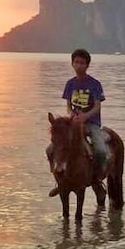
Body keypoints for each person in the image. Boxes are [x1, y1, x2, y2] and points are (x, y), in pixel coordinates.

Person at [48, 48, 108, 197]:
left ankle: (97, 180)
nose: (79, 65)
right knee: (50, 150)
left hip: (91, 123)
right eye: (76, 62)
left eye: (82, 63)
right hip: (73, 123)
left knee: (100, 150)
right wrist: (71, 116)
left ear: (87, 65)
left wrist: (85, 116)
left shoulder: (95, 84)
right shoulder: (70, 84)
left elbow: (97, 106)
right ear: (72, 64)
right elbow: (68, 105)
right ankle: (59, 181)